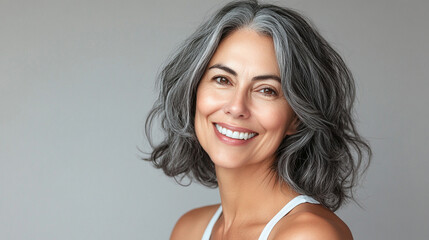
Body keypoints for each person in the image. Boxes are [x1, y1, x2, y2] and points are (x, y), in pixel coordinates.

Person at [144, 0, 371, 239]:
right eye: (223, 80)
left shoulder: (308, 234)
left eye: (267, 90)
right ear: (193, 92)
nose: (236, 107)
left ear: (297, 118)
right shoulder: (190, 229)